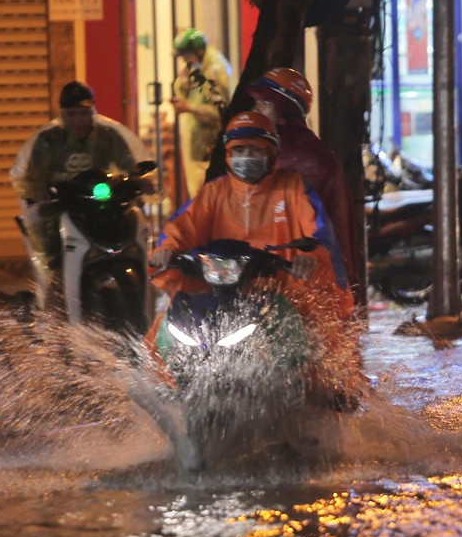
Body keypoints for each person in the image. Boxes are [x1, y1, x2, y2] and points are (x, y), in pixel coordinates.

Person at [148, 111, 361, 407]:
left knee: (317, 336)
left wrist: (307, 257)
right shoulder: (213, 193)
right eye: (239, 150)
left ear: (271, 152)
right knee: (162, 328)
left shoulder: (294, 188)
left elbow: (318, 233)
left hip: (279, 287)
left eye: (255, 150)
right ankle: (168, 396)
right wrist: (167, 250)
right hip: (215, 289)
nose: (246, 157)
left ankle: (315, 396)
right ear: (228, 154)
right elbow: (180, 228)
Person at [10, 81, 145, 299]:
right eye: (72, 114)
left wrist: (140, 179)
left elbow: (130, 163)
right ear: (63, 115)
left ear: (92, 111)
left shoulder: (108, 136)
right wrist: (37, 191)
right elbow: (32, 175)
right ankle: (53, 290)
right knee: (43, 234)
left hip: (101, 204)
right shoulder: (48, 140)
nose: (78, 120)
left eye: (83, 113)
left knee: (135, 220)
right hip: (64, 205)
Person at [247, 67, 364, 305]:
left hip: (308, 278)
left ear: (284, 109)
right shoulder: (257, 153)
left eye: (265, 103)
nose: (255, 110)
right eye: (256, 104)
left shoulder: (310, 159)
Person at [171, 28, 232, 199]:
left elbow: (221, 112)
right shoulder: (200, 69)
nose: (185, 61)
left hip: (208, 150)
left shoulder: (214, 72)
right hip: (198, 148)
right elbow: (192, 96)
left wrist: (190, 108)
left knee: (206, 199)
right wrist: (183, 83)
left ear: (199, 52)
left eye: (187, 56)